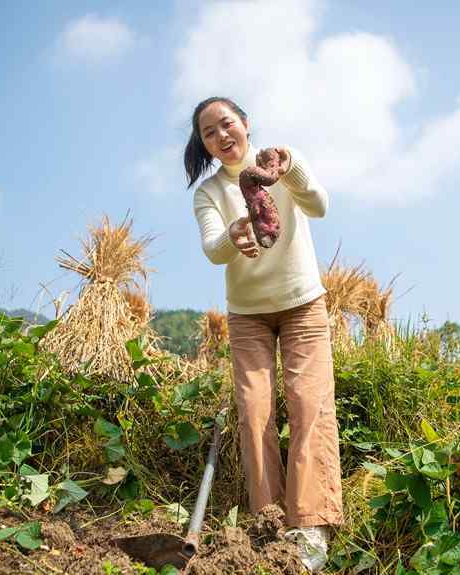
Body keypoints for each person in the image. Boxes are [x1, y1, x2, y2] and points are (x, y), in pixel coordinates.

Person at [185, 96, 342, 571]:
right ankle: (269, 523)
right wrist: (235, 232)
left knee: (308, 403)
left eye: (226, 124)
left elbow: (319, 205)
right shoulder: (208, 192)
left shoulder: (280, 160)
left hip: (303, 306)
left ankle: (309, 526)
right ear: (205, 143)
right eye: (209, 132)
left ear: (246, 124)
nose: (221, 136)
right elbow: (213, 249)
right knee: (254, 414)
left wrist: (290, 171)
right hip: (248, 315)